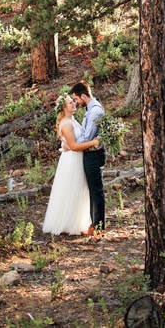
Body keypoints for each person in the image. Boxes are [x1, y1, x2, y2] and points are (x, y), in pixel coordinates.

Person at [42, 93, 100, 236]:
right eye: (70, 103)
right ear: (64, 108)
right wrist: (93, 143)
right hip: (72, 161)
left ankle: (78, 221)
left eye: (74, 101)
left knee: (78, 190)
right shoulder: (66, 124)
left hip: (77, 158)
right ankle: (68, 223)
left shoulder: (71, 119)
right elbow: (74, 146)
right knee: (71, 190)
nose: (74, 104)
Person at [70, 80, 106, 233]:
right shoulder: (90, 110)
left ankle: (98, 227)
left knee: (96, 190)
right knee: (93, 190)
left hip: (94, 155)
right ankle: (95, 224)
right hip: (90, 154)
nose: (77, 103)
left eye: (77, 99)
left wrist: (71, 142)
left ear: (83, 96)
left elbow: (87, 137)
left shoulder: (95, 111)